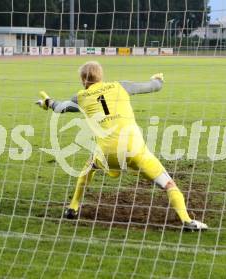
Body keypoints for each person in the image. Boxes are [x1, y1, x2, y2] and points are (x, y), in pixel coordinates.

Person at [36, 61, 208, 231]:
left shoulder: (81, 97)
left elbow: (59, 108)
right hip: (135, 150)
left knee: (89, 167)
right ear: (101, 76)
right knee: (169, 185)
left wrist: (47, 102)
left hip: (107, 154)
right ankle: (186, 220)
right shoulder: (121, 86)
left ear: (83, 80)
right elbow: (153, 86)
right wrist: (158, 79)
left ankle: (72, 208)